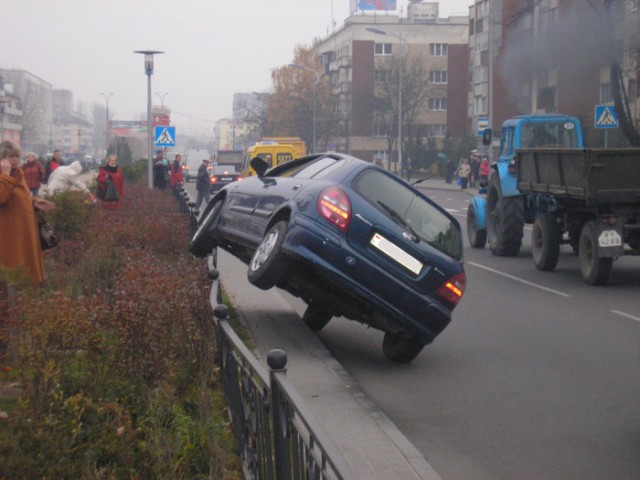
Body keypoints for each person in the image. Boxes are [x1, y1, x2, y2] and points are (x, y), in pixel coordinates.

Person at [0, 141, 55, 284]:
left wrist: (34, 201)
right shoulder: (6, 176)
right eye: (10, 157)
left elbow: (18, 196)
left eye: (17, 156)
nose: (15, 160)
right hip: (10, 235)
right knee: (15, 271)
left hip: (25, 230)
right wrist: (5, 176)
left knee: (28, 266)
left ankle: (29, 295)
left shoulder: (18, 173)